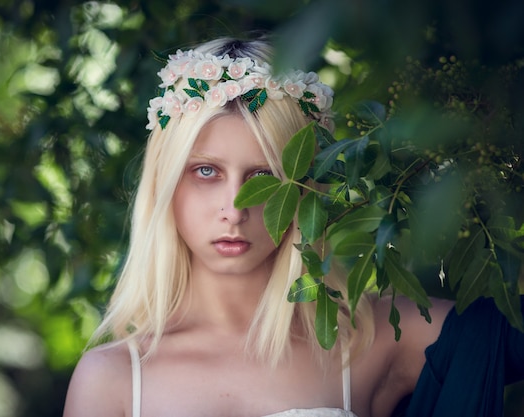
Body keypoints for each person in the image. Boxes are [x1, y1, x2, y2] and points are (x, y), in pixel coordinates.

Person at [62, 36, 524, 417]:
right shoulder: (113, 379)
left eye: (264, 177)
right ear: (165, 182)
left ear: (304, 187)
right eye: (206, 171)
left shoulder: (370, 339)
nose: (235, 209)